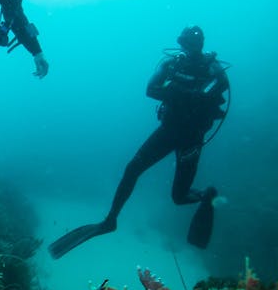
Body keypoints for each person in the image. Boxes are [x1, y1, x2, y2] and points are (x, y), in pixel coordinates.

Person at [49, 26, 230, 259]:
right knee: (133, 168)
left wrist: (177, 91)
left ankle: (206, 195)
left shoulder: (212, 69)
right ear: (182, 44)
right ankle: (110, 220)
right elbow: (150, 89)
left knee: (178, 196)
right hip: (170, 131)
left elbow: (216, 90)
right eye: (187, 44)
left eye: (193, 45)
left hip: (191, 137)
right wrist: (188, 93)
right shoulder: (172, 64)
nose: (190, 48)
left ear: (200, 46)